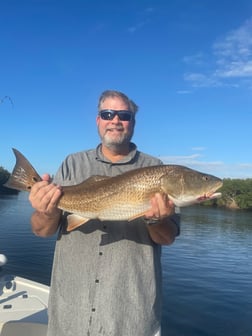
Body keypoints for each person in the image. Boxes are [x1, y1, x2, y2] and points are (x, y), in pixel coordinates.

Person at [29, 90, 180, 336]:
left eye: (124, 115)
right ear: (98, 120)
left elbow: (168, 237)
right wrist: (45, 211)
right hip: (70, 311)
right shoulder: (72, 163)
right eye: (107, 114)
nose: (115, 120)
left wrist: (155, 219)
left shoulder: (157, 170)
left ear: (133, 122)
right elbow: (41, 230)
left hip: (129, 314)